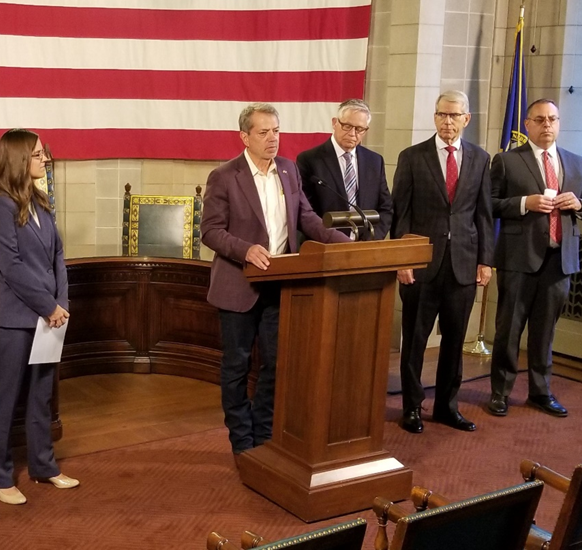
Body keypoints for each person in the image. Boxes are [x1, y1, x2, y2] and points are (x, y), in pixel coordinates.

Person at [201, 103, 349, 455]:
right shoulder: (224, 176)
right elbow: (210, 231)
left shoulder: (289, 170)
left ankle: (264, 435)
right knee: (237, 365)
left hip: (281, 286)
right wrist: (245, 249)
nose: (273, 139)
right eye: (264, 132)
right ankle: (241, 440)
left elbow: (308, 219)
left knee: (277, 364)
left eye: (277, 131)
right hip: (238, 286)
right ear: (244, 137)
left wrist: (345, 244)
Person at [0, 129, 78, 506]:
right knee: (4, 398)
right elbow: (11, 267)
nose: (45, 159)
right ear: (19, 158)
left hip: (51, 315)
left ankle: (44, 466)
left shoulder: (39, 199)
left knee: (42, 397)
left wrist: (60, 304)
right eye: (38, 154)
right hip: (13, 319)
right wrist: (47, 306)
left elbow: (57, 257)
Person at [487, 99, 582, 418]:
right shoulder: (507, 161)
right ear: (527, 125)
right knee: (509, 329)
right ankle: (500, 392)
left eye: (552, 119)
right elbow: (490, 203)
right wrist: (525, 203)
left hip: (559, 260)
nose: (547, 125)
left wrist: (578, 204)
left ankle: (540, 391)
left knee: (545, 331)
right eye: (540, 119)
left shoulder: (577, 162)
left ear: (559, 123)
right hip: (518, 259)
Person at [391, 90, 494, 434]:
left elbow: (483, 214)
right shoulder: (412, 157)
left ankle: (448, 407)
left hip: (463, 265)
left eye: (454, 115)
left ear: (467, 119)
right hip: (421, 266)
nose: (447, 122)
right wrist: (402, 259)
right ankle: (412, 407)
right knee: (415, 342)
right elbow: (400, 215)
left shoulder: (480, 159)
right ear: (434, 118)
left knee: (454, 342)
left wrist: (485, 261)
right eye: (441, 115)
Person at [297, 99, 393, 240]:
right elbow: (306, 212)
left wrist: (371, 240)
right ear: (335, 123)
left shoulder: (374, 161)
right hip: (326, 245)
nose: (353, 134)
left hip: (365, 248)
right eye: (347, 126)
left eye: (359, 129)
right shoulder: (309, 160)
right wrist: (334, 239)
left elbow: (385, 208)